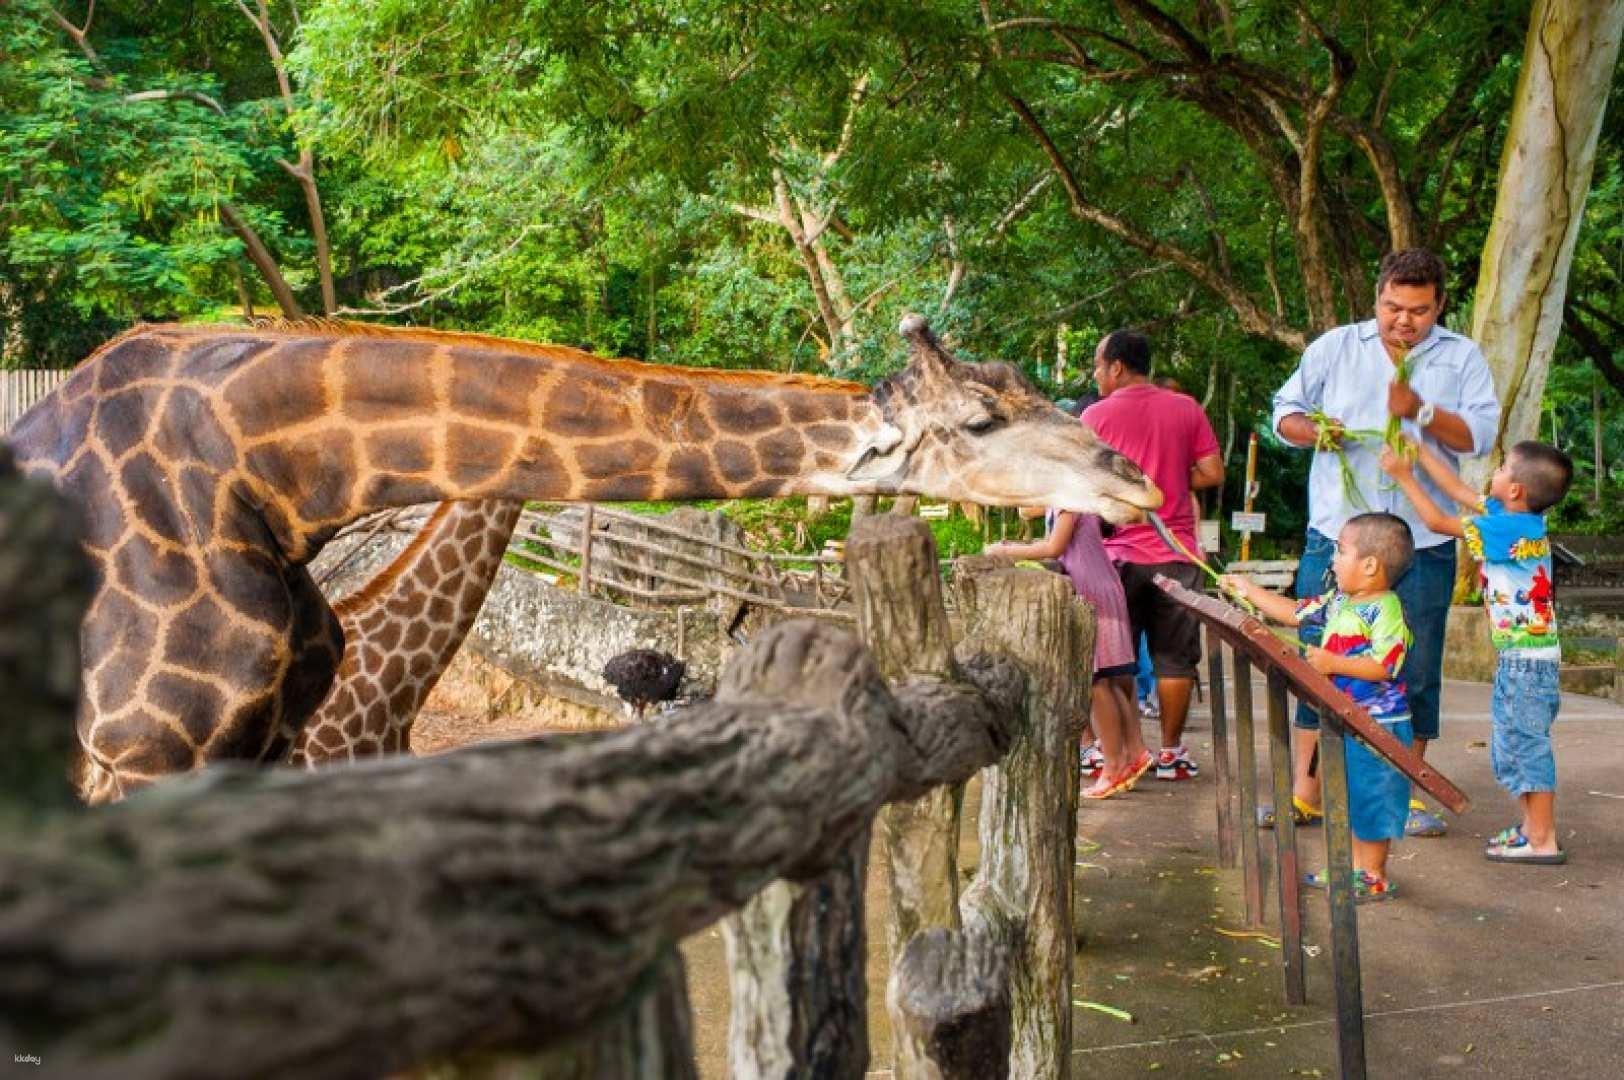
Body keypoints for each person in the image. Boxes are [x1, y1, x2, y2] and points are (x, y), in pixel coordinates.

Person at [1269, 248, 1500, 834]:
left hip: (1421, 541)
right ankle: (1307, 794)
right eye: (1393, 307)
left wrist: (1420, 410)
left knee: (1414, 667)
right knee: (1319, 658)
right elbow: (1284, 415)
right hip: (1338, 537)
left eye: (1419, 311)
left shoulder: (1461, 357)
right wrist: (1316, 432)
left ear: (1439, 306)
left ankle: (1404, 793)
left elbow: (1476, 437)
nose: (1404, 321)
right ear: (1377, 297)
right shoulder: (1335, 348)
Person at [1380, 437, 1574, 863]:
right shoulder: (1511, 516)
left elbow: (1433, 519)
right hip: (1521, 657)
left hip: (1528, 662)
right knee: (1513, 743)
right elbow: (1457, 491)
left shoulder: (1504, 527)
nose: (1496, 472)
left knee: (1526, 744)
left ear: (1517, 489)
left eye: (1503, 468)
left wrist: (1402, 475)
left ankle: (1543, 838)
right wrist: (1421, 450)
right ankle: (1530, 829)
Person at [1220, 512, 1417, 901]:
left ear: (1371, 565)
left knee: (1373, 797)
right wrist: (1247, 590)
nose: (1333, 560)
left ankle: (1373, 872)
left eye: (1341, 552)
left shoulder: (1385, 609)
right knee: (1349, 794)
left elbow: (1386, 665)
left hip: (1379, 725)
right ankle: (1355, 866)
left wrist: (1333, 663)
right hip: (1345, 720)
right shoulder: (1340, 601)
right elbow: (1294, 612)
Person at [1082, 330, 1224, 780]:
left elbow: (1086, 483)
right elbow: (1212, 473)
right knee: (1176, 658)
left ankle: (1122, 750)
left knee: (1115, 657)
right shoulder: (1185, 408)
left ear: (1117, 367)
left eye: (1098, 365)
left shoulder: (1094, 415)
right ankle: (1170, 752)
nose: (1096, 373)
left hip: (1116, 555)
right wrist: (1171, 484)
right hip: (1177, 553)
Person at [987, 509, 1152, 799]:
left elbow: (1054, 547)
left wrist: (1005, 551)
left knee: (1097, 681)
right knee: (1109, 679)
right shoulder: (1065, 498)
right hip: (1101, 586)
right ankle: (1133, 753)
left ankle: (1114, 766)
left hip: (1092, 592)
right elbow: (1031, 512)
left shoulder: (1067, 498)